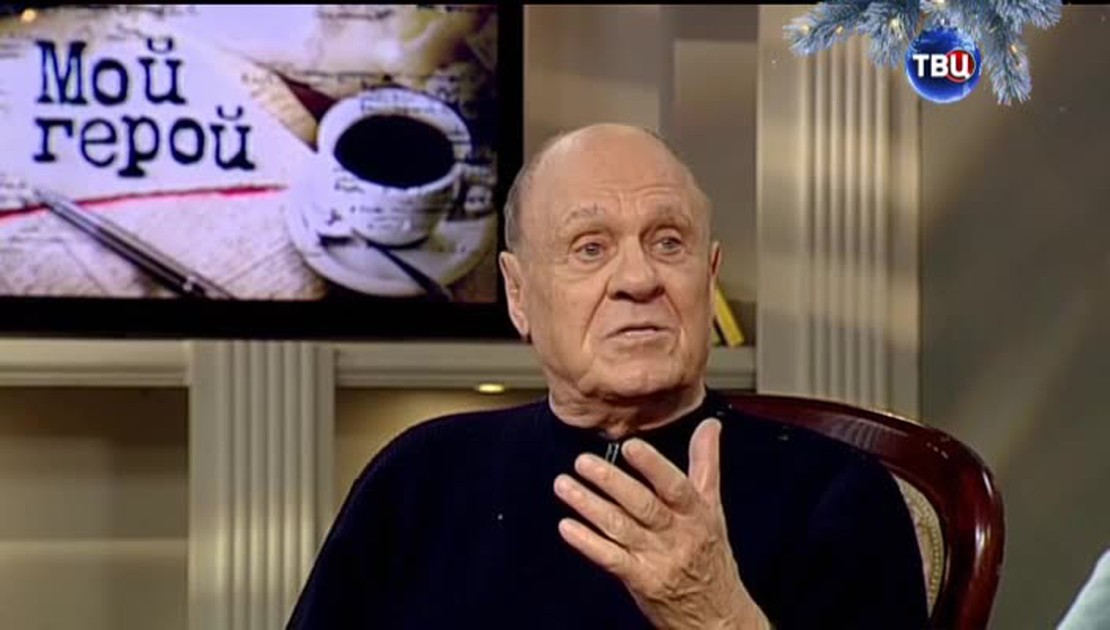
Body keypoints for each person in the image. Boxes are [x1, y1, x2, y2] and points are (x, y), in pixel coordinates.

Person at [287, 123, 927, 629]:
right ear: (518, 294)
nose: (638, 279)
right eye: (590, 247)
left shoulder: (836, 494)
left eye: (668, 242)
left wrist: (716, 617)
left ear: (708, 276)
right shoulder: (419, 477)